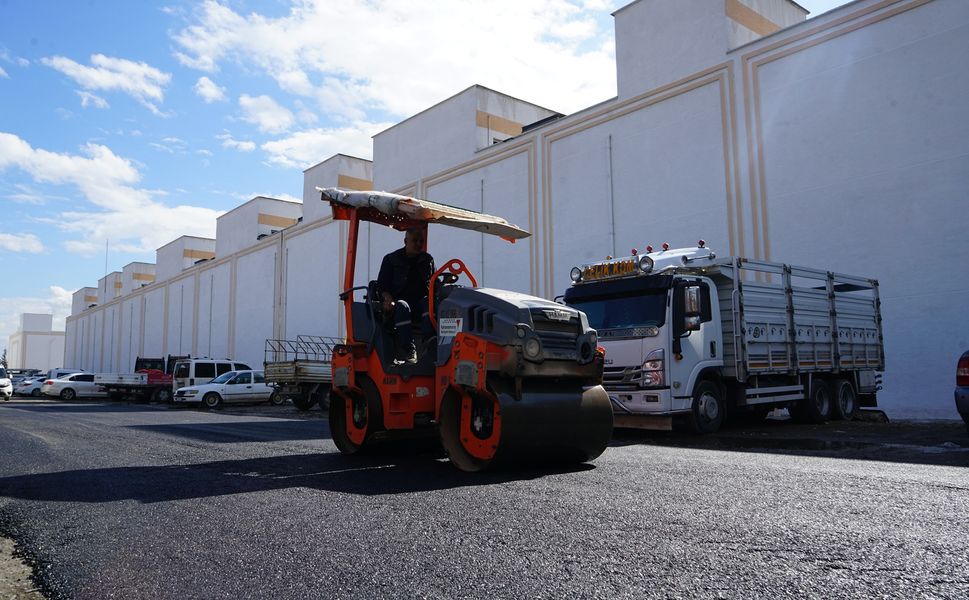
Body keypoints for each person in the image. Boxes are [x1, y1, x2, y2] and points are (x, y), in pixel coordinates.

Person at [377, 228, 435, 364]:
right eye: (415, 241)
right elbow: (382, 286)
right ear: (405, 241)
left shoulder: (428, 260)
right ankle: (409, 350)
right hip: (398, 305)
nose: (418, 244)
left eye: (421, 241)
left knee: (429, 303)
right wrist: (387, 298)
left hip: (421, 304)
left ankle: (431, 344)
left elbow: (434, 282)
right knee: (402, 306)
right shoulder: (391, 259)